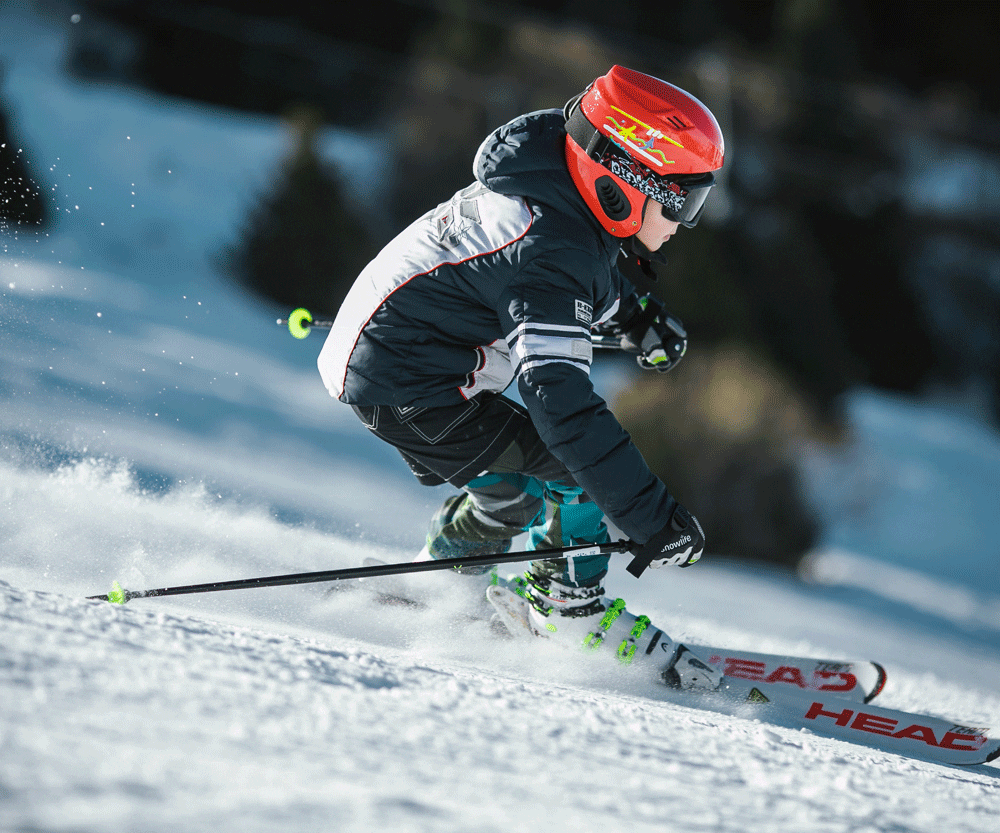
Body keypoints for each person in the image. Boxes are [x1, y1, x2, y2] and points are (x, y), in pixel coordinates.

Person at [317, 65, 725, 688]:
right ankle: (568, 609)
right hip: (411, 384)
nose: (684, 223)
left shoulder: (552, 191)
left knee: (515, 489)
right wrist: (651, 519)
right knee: (575, 472)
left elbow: (576, 276)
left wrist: (636, 318)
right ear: (626, 181)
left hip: (398, 363)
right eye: (683, 200)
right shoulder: (548, 251)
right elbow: (559, 403)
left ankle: (439, 580)